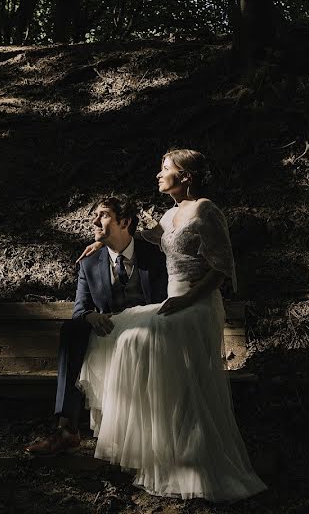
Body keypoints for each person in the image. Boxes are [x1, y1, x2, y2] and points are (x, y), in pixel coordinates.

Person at [76, 149, 266, 502]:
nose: (159, 174)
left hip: (198, 305)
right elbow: (146, 236)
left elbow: (222, 268)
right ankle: (158, 451)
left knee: (141, 339)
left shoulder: (206, 211)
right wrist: (102, 240)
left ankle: (199, 464)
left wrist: (189, 300)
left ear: (186, 177)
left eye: (165, 169)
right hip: (174, 302)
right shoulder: (170, 214)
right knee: (119, 328)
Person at [25, 195, 168, 457]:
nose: (94, 221)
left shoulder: (154, 256)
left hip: (149, 330)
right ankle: (66, 429)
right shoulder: (90, 263)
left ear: (124, 222)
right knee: (72, 330)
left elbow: (164, 303)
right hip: (109, 333)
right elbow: (80, 309)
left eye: (102, 215)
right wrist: (89, 317)